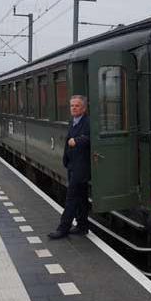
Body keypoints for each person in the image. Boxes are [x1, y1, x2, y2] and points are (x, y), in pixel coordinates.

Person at [49, 95, 91, 239]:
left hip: (82, 166)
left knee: (71, 197)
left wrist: (78, 140)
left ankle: (63, 228)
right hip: (72, 164)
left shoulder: (88, 122)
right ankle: (82, 226)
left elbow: (91, 137)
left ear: (84, 108)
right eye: (72, 105)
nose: (73, 108)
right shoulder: (72, 121)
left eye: (77, 106)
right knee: (81, 197)